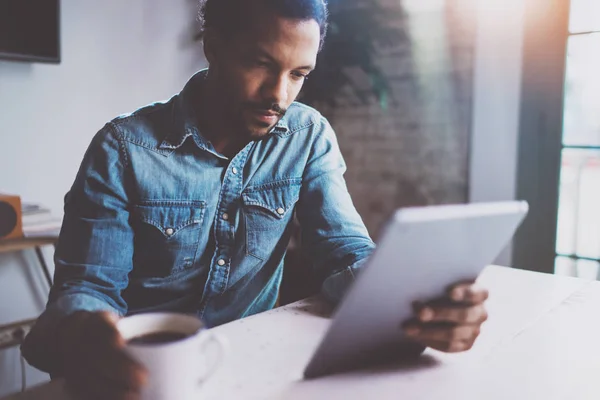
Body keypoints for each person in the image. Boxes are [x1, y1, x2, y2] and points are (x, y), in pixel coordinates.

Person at [22, 0, 489, 399]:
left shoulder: (307, 137)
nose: (278, 95)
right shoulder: (124, 149)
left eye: (299, 74)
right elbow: (87, 289)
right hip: (145, 381)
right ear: (213, 46)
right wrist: (85, 337)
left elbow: (344, 252)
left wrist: (415, 303)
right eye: (261, 64)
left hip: (254, 377)